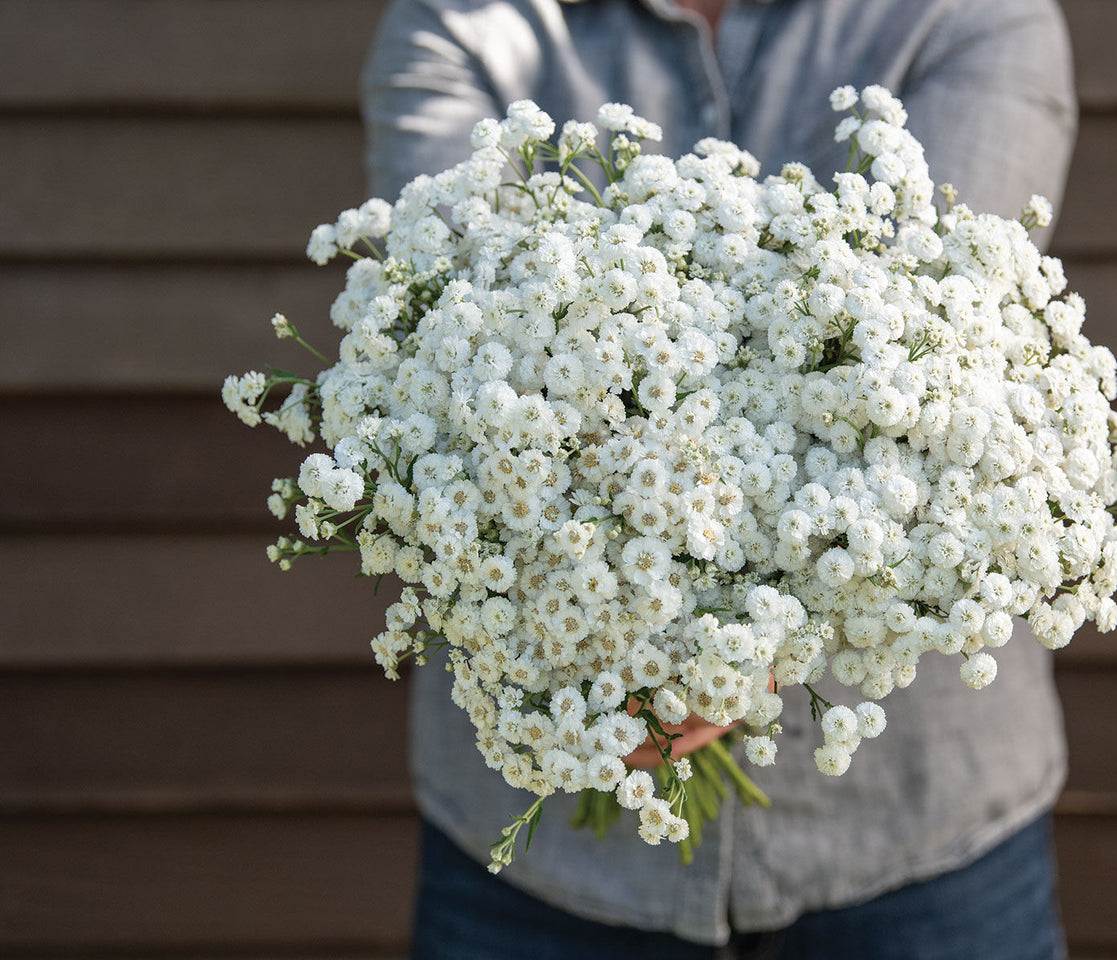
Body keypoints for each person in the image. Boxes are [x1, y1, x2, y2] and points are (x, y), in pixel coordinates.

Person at [361, 1, 1077, 956]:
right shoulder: (463, 21)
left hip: (914, 846)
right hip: (540, 869)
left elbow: (925, 381)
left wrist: (723, 656)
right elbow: (448, 347)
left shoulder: (966, 14)